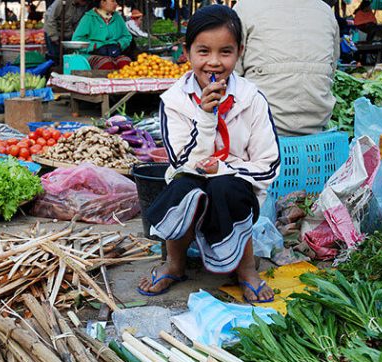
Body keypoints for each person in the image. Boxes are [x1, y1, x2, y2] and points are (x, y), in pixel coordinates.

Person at [138, 5, 279, 303]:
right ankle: (175, 263)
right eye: (203, 51)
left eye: (225, 52)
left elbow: (268, 164)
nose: (214, 63)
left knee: (223, 185)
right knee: (185, 185)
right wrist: (205, 116)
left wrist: (225, 171)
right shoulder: (174, 100)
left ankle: (246, 269)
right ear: (186, 51)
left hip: (237, 186)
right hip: (191, 181)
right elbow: (180, 161)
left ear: (240, 51)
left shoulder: (251, 99)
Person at [233, 0, 340, 136]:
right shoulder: (326, 13)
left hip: (259, 132)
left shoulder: (245, 8)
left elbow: (231, 75)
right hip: (316, 130)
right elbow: (332, 71)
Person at [71, 0, 132, 70]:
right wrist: (94, 46)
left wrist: (119, 45)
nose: (116, 4)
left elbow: (127, 36)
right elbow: (77, 40)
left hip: (113, 53)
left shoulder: (118, 18)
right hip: (92, 54)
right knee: (106, 64)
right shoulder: (89, 18)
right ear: (102, 2)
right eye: (113, 1)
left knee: (125, 63)